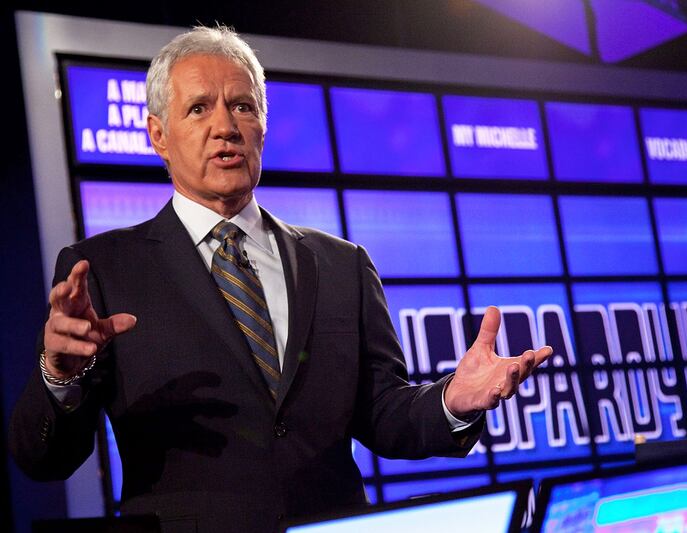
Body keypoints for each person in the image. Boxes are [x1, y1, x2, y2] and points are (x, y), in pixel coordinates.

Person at [9, 25, 552, 533]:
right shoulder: (103, 269)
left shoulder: (342, 264)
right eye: (199, 108)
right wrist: (60, 377)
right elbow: (44, 459)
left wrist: (453, 400)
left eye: (242, 106)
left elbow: (384, 415)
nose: (226, 127)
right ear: (158, 135)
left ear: (263, 126)